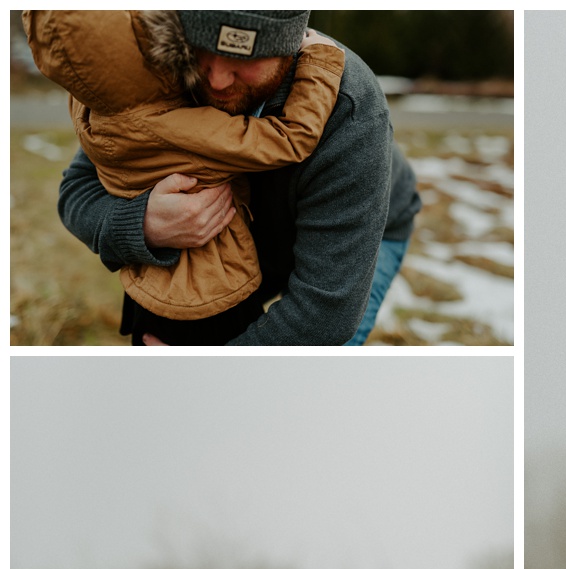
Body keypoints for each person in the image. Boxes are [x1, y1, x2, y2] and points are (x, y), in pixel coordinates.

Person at [56, 8, 422, 346]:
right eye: (202, 50)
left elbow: (324, 313)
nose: (214, 80)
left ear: (289, 47)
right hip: (237, 252)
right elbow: (76, 189)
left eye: (242, 58)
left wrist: (212, 377)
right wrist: (143, 225)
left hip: (351, 245)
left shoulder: (351, 111)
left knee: (308, 378)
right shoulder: (166, 73)